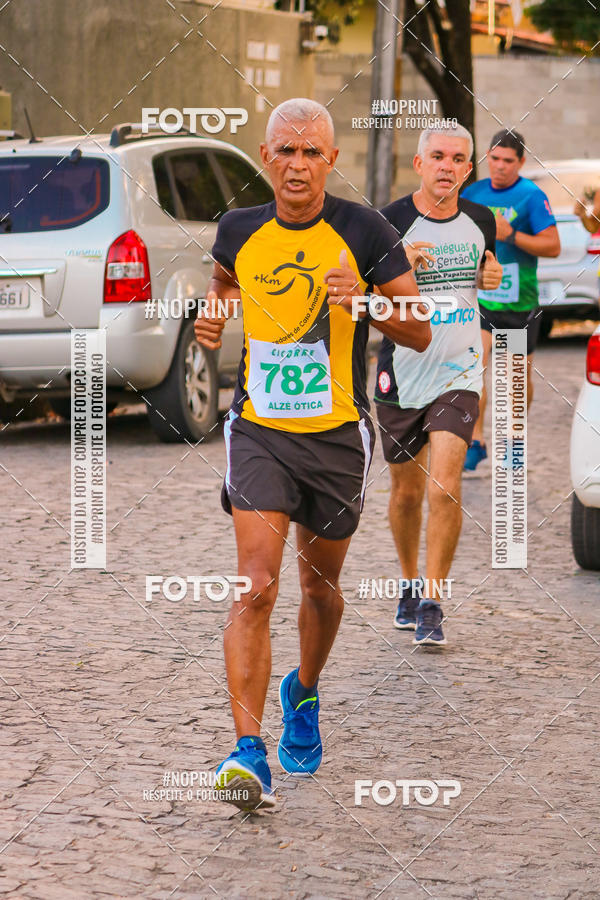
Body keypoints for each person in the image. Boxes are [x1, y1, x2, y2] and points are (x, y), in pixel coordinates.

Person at [194, 98, 430, 812]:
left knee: (320, 590)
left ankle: (304, 691)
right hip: (259, 431)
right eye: (285, 152)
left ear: (332, 160)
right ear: (266, 158)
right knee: (256, 585)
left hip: (335, 436)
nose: (297, 165)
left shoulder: (364, 229)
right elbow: (228, 284)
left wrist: (363, 302)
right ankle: (247, 753)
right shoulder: (237, 229)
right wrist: (216, 314)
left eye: (312, 153)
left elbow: (417, 330)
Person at [375, 125, 502, 646]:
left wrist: (488, 283)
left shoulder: (481, 219)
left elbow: (485, 277)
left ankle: (433, 599)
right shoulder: (388, 221)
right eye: (437, 157)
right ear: (418, 164)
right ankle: (407, 583)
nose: (447, 166)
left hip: (460, 370)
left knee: (445, 487)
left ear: (469, 169)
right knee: (406, 493)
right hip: (402, 371)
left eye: (457, 158)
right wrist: (399, 268)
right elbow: (363, 296)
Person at [462, 129, 561, 471]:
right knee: (475, 368)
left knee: (515, 379)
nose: (500, 166)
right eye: (495, 159)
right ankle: (476, 441)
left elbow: (553, 246)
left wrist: (512, 235)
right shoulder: (472, 194)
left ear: (521, 162)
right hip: (482, 299)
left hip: (520, 302)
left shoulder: (531, 196)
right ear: (487, 157)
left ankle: (513, 441)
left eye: (508, 160)